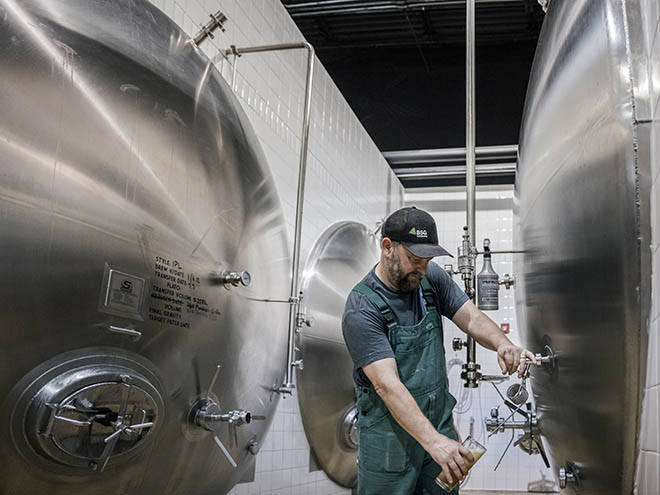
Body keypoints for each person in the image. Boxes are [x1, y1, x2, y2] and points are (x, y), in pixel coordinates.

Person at [342, 206, 538, 495]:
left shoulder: (430, 279)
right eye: (414, 259)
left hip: (437, 426)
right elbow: (387, 385)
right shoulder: (363, 307)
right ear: (387, 247)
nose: (422, 268)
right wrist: (433, 441)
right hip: (389, 441)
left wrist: (504, 343)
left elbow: (470, 317)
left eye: (428, 259)